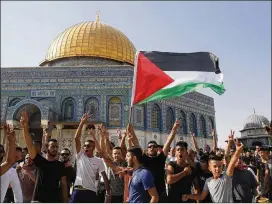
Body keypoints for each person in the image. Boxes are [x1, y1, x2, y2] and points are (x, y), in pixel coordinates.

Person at [182, 132, 244, 203]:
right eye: (215, 166)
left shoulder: (226, 177)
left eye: (219, 166)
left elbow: (231, 163)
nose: (217, 169)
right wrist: (188, 196)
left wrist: (237, 150)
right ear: (209, 168)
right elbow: (201, 196)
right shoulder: (208, 181)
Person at [20, 110, 68, 203]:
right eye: (52, 146)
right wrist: (25, 128)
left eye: (56, 147)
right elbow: (30, 145)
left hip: (54, 201)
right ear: (47, 147)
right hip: (38, 200)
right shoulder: (39, 161)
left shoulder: (60, 165)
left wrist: (65, 201)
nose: (55, 149)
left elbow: (63, 184)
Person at [71, 113, 110, 203]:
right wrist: (81, 123)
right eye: (84, 146)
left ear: (93, 148)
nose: (85, 148)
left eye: (88, 146)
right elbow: (76, 138)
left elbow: (104, 177)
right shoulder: (81, 156)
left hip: (90, 192)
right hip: (78, 190)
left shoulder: (99, 161)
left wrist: (108, 193)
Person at [141, 120, 181, 202]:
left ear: (157, 148)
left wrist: (174, 129)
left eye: (154, 146)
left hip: (161, 193)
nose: (152, 148)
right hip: (148, 193)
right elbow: (135, 146)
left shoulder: (161, 158)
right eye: (150, 147)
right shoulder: (144, 158)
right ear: (147, 149)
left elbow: (168, 142)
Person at [0, 125, 23, 203]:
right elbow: (9, 161)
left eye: (1, 151)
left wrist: (11, 141)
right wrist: (11, 141)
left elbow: (9, 161)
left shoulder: (11, 171)